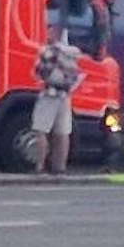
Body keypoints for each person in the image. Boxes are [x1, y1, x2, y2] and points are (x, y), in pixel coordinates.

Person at [30, 23, 81, 177]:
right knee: (63, 132)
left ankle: (40, 166)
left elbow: (39, 71)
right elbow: (75, 74)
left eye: (50, 30)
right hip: (65, 97)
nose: (47, 33)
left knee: (41, 130)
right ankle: (60, 167)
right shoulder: (73, 53)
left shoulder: (48, 51)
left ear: (55, 34)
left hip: (49, 95)